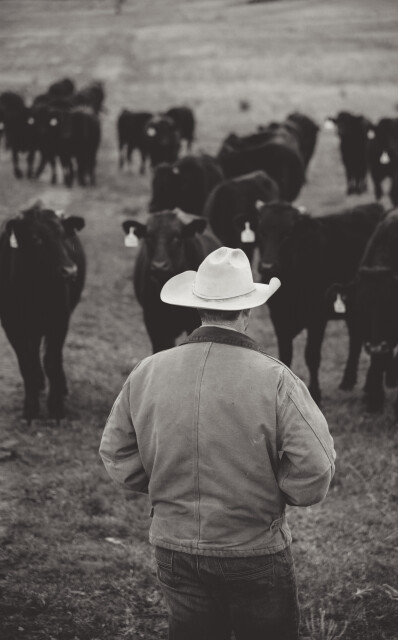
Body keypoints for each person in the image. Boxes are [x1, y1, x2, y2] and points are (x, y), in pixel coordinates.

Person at [99, 246, 336, 640]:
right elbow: (315, 469)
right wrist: (275, 494)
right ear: (248, 309)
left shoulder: (147, 371)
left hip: (173, 547)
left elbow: (115, 450)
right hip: (252, 548)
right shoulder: (276, 379)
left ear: (197, 307)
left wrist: (163, 486)